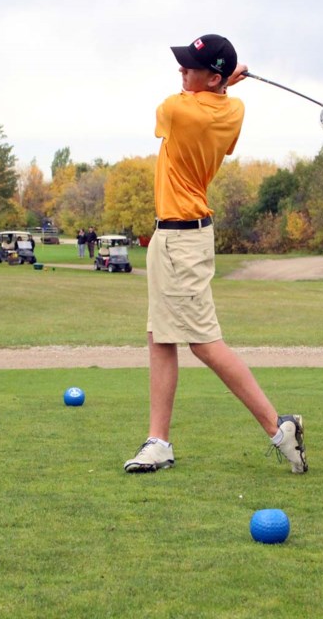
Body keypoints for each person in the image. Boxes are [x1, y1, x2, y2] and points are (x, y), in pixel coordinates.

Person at [123, 34, 307, 475]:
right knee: (161, 337)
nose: (182, 71)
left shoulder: (179, 110)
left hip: (181, 241)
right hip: (175, 237)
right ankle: (158, 441)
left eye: (191, 67)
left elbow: (175, 108)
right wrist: (222, 88)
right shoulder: (233, 109)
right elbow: (214, 101)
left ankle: (278, 427)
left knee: (204, 343)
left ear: (214, 76)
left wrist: (220, 85)